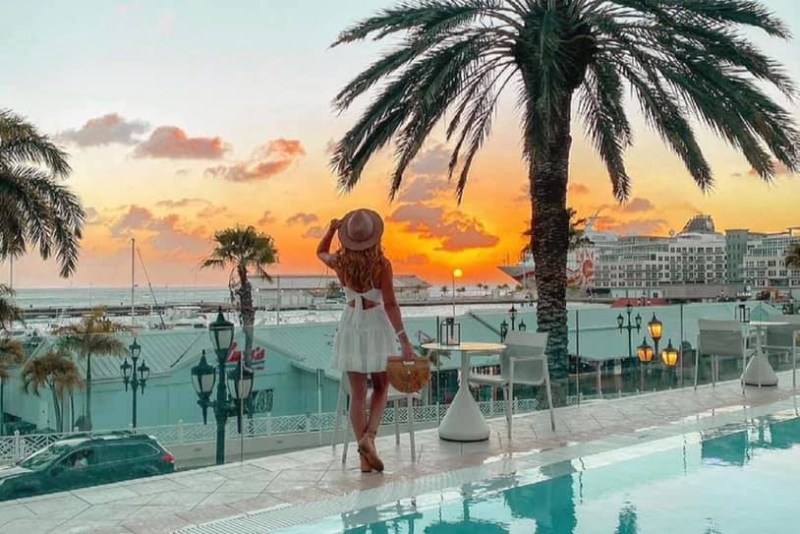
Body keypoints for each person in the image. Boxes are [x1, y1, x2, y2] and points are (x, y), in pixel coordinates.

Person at [317, 208, 414, 473]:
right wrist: (404, 339)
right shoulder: (382, 265)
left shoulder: (340, 261)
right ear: (375, 237)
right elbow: (391, 304)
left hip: (350, 324)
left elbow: (320, 252)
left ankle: (364, 459)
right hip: (375, 324)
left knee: (358, 395)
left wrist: (329, 231)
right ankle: (369, 438)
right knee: (382, 386)